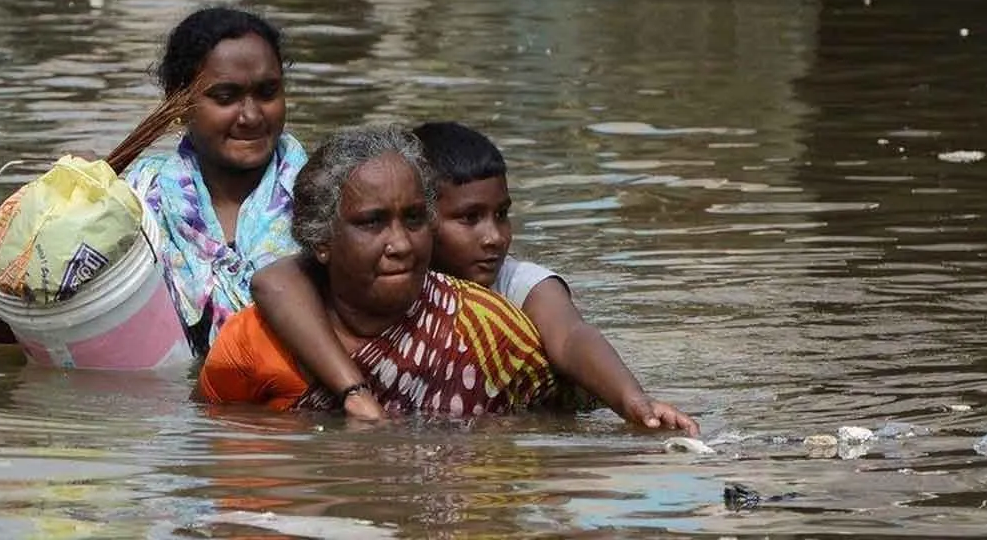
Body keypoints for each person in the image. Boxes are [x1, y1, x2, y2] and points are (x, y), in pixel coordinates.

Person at [251, 122, 699, 435]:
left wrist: (632, 400)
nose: (493, 237)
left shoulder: (518, 285)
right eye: (468, 219)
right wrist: (354, 391)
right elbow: (275, 279)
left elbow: (571, 336)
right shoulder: (371, 278)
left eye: (502, 215)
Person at [0, 7, 306, 356]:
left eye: (268, 92)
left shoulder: (324, 197)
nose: (252, 115)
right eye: (225, 97)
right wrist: (64, 217)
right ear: (178, 103)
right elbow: (7, 329)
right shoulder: (132, 200)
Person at [197, 125, 564, 414]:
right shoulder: (253, 342)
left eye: (415, 219)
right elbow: (216, 447)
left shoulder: (488, 332)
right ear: (321, 240)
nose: (402, 244)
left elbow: (551, 431)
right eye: (372, 223)